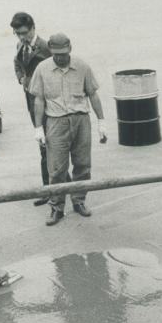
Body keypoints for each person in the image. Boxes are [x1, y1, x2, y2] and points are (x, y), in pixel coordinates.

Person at [28, 33, 107, 227]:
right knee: (56, 169)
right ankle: (57, 207)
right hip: (55, 122)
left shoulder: (82, 67)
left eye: (63, 53)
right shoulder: (42, 69)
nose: (60, 58)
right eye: (56, 54)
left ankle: (79, 201)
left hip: (81, 120)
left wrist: (101, 121)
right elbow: (38, 99)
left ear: (70, 48)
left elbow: (93, 94)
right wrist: (38, 127)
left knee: (83, 164)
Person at [10, 11, 53, 206]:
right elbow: (17, 63)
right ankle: (61, 181)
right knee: (43, 143)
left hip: (46, 103)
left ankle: (49, 189)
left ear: (33, 28)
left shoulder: (45, 47)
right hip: (31, 102)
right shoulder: (21, 45)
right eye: (18, 33)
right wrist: (20, 77)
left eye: (24, 32)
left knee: (47, 144)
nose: (21, 37)